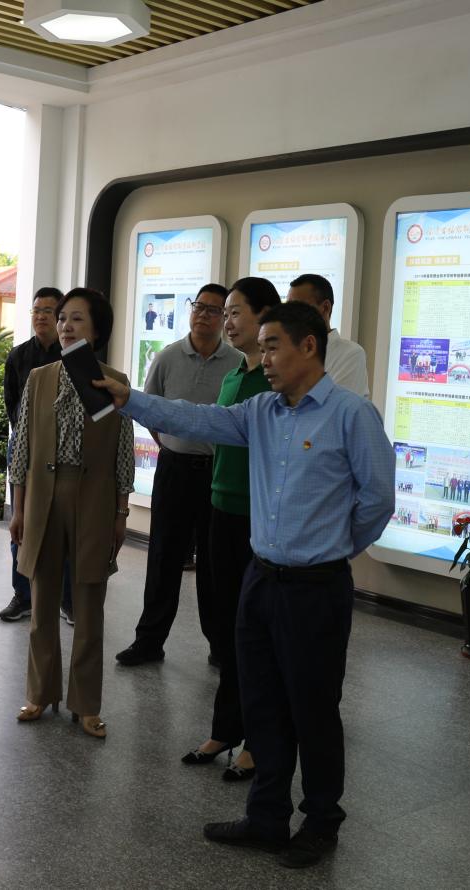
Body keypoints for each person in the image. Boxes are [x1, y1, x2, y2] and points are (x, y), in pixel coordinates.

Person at [94, 300, 394, 867]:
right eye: (262, 348)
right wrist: (129, 399)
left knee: (313, 709)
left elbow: (377, 500)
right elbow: (194, 419)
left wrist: (331, 548)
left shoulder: (352, 415)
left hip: (316, 587)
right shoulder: (261, 411)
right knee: (262, 702)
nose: (264, 358)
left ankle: (321, 822)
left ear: (309, 346)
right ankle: (267, 816)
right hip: (261, 579)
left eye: (273, 346)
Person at [8, 288, 134, 740]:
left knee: (88, 603)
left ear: (96, 330)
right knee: (42, 601)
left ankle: (86, 704)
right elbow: (22, 448)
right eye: (62, 318)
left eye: (77, 319)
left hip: (95, 496)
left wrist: (121, 512)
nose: (65, 325)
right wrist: (19, 508)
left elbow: (123, 453)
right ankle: (40, 693)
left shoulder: (114, 380)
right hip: (44, 495)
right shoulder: (39, 378)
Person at [180, 277, 281, 782]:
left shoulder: (273, 381)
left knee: (255, 634)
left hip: (256, 517)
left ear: (265, 316)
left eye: (236, 311)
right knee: (224, 630)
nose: (227, 320)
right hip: (220, 508)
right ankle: (225, 729)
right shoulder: (233, 375)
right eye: (226, 312)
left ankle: (257, 742)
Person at [116, 283, 239, 667]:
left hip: (216, 472)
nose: (203, 314)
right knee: (163, 558)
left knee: (214, 564)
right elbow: (150, 410)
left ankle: (221, 645)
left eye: (213, 310)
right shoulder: (168, 357)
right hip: (174, 469)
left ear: (224, 318)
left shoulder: (237, 363)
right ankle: (149, 641)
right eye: (198, 306)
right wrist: (171, 444)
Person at [0, 286, 71, 622]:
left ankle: (67, 599)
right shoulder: (18, 356)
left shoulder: (71, 356)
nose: (41, 316)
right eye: (36, 310)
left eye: (48, 311)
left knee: (66, 522)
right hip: (25, 445)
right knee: (21, 521)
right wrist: (29, 438)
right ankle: (22, 595)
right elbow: (12, 403)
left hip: (64, 450)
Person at [285, 274, 369, 398]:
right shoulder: (288, 352)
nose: (290, 315)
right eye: (288, 308)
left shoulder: (351, 354)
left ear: (325, 308)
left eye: (299, 307)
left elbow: (337, 405)